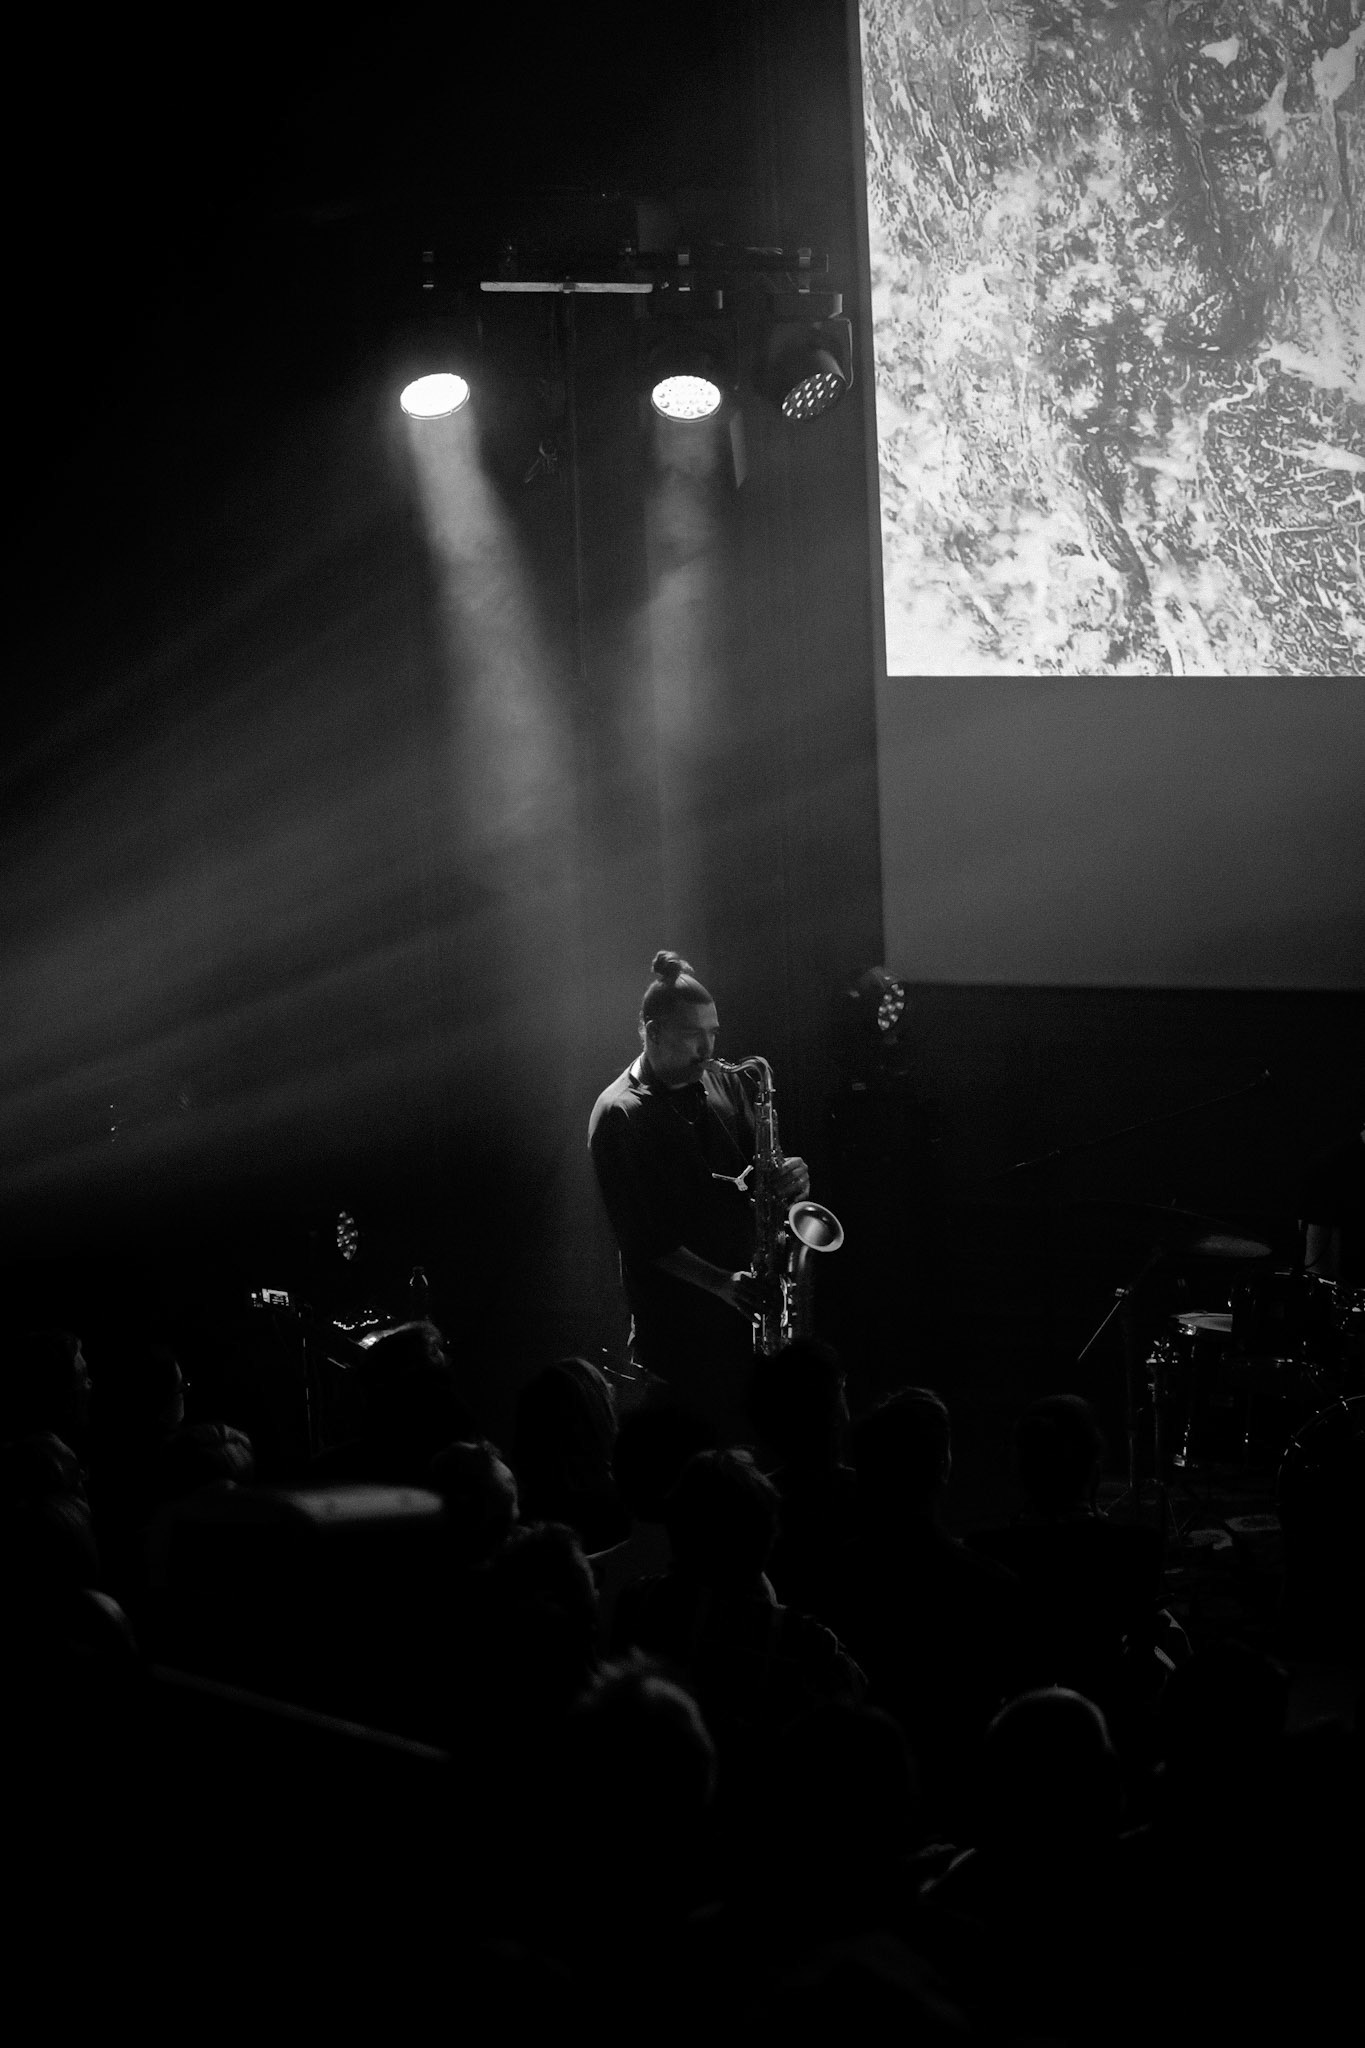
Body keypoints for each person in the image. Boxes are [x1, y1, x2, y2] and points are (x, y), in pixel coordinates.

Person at [588, 950, 810, 1437]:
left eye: (714, 1032)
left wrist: (790, 1178)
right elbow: (643, 1240)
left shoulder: (722, 1082)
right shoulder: (620, 1115)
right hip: (676, 1336)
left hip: (742, 1318)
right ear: (652, 1031)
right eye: (694, 1035)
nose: (708, 1048)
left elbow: (755, 1174)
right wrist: (720, 1284)